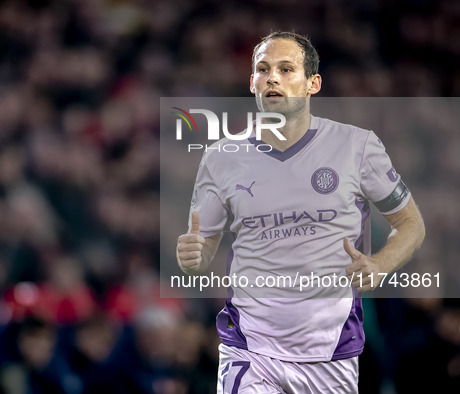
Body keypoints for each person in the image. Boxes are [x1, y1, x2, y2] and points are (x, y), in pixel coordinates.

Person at [176, 31, 426, 394]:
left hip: (330, 355)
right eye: (263, 69)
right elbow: (201, 253)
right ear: (252, 83)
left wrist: (381, 264)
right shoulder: (221, 157)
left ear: (313, 83)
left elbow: (411, 224)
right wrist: (192, 258)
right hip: (250, 348)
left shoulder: (357, 146)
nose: (272, 77)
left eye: (286, 68)